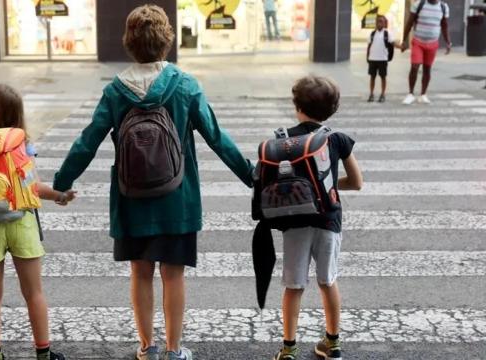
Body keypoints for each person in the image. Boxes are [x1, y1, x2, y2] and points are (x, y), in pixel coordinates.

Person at [52, 5, 253, 360]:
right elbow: (217, 138)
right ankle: (174, 350)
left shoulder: (115, 91)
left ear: (129, 42)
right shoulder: (185, 85)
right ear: (167, 40)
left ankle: (147, 348)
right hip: (178, 198)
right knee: (173, 275)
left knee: (140, 272)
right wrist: (252, 176)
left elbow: (89, 139)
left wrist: (61, 183)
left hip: (131, 199)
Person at [0, 84, 76, 360]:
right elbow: (32, 186)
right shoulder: (20, 142)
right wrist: (60, 195)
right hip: (20, 221)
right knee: (34, 292)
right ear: (17, 113)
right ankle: (43, 354)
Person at [272, 76, 363, 360]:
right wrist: (330, 185)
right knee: (327, 281)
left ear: (297, 106)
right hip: (328, 220)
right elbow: (357, 182)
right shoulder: (337, 139)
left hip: (296, 220)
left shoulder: (284, 139)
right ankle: (332, 343)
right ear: (332, 109)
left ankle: (288, 348)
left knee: (294, 285)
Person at [401, 0, 451, 105]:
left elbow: (444, 26)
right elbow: (409, 23)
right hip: (418, 42)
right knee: (414, 66)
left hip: (432, 44)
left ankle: (423, 95)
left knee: (427, 69)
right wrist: (404, 41)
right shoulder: (419, 4)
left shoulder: (443, 7)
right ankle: (410, 94)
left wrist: (448, 42)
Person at [366, 15, 397, 103]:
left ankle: (382, 94)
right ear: (376, 23)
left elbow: (393, 43)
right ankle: (371, 94)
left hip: (382, 59)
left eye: (381, 21)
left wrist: (401, 46)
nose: (379, 23)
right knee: (372, 77)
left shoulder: (387, 34)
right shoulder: (372, 34)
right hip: (372, 59)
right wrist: (367, 57)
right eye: (378, 21)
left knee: (383, 77)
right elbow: (369, 46)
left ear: (384, 23)